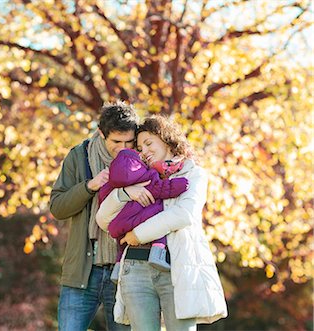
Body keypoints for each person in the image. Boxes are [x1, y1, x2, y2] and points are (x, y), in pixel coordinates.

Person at [96, 115, 228, 331]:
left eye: (149, 143)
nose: (144, 151)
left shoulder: (192, 173)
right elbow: (103, 220)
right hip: (135, 268)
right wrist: (125, 193)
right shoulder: (136, 177)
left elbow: (183, 214)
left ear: (167, 140)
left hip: (175, 267)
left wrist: (137, 235)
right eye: (140, 147)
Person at [49, 100, 139, 331]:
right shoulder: (79, 156)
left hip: (125, 272)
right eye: (116, 141)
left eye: (129, 141)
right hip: (83, 270)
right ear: (101, 133)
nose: (124, 147)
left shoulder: (142, 158)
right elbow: (58, 207)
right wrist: (89, 186)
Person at [97, 148, 189, 281]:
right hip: (140, 220)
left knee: (121, 244)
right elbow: (162, 188)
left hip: (117, 225)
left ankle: (117, 269)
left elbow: (102, 198)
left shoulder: (111, 184)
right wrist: (182, 184)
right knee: (159, 211)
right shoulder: (146, 177)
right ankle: (157, 253)